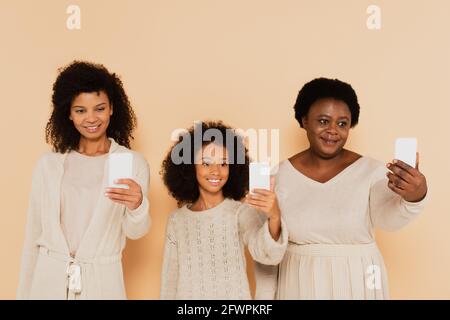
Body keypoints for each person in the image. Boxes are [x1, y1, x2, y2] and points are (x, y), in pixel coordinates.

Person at [256, 78, 428, 300]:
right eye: (323, 121)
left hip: (361, 282)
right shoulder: (277, 176)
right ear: (304, 120)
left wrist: (414, 195)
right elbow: (265, 251)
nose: (332, 131)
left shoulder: (372, 171)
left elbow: (389, 221)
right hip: (298, 284)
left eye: (342, 123)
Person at [17, 61, 150, 299]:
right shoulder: (49, 165)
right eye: (80, 110)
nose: (91, 118)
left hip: (102, 283)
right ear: (68, 113)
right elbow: (32, 238)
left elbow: (135, 232)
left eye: (99, 108)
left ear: (111, 108)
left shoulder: (130, 162)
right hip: (47, 282)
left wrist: (137, 205)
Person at [160, 121, 288, 299]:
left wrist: (274, 216)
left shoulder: (240, 212)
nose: (216, 171)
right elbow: (169, 281)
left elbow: (268, 255)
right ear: (190, 167)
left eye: (223, 164)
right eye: (206, 163)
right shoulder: (176, 220)